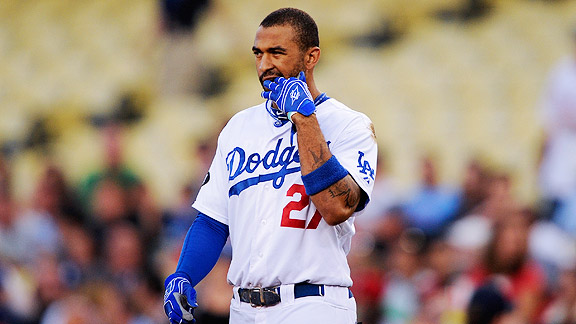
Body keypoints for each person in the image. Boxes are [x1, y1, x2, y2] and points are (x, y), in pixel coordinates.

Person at [163, 7, 378, 324]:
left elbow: (337, 208)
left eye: (276, 53)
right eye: (258, 54)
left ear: (310, 57)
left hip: (313, 305)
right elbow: (212, 221)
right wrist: (184, 274)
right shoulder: (239, 127)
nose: (264, 65)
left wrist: (304, 120)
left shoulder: (349, 125)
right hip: (243, 308)